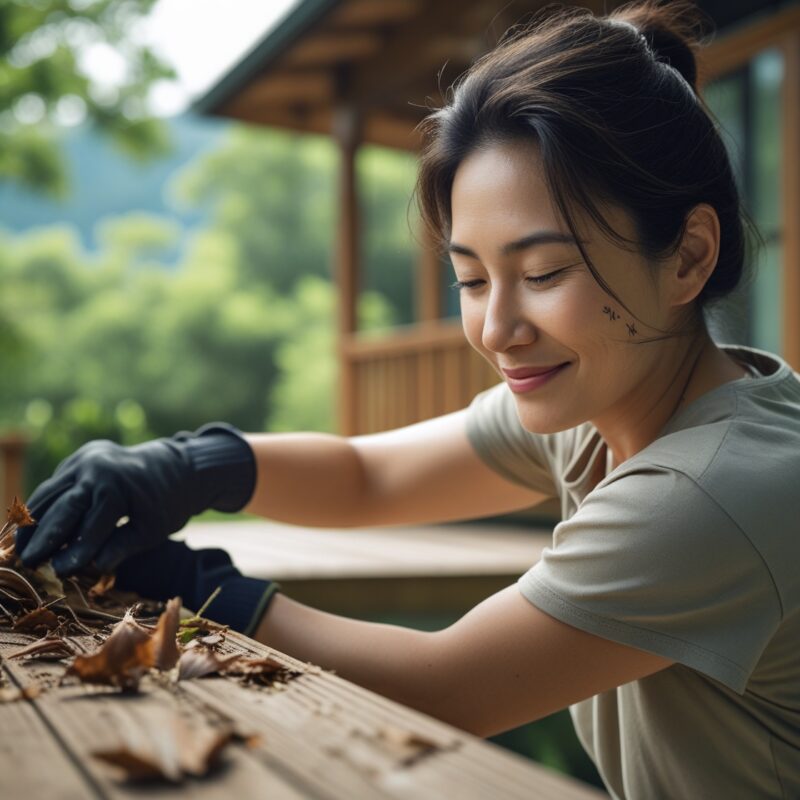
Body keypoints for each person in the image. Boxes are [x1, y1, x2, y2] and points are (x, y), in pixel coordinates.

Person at [15, 1, 800, 797]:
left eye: (542, 275)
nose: (498, 329)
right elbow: (369, 475)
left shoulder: (713, 489)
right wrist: (189, 466)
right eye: (471, 279)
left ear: (688, 257)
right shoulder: (616, 399)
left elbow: (444, 686)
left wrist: (195, 588)